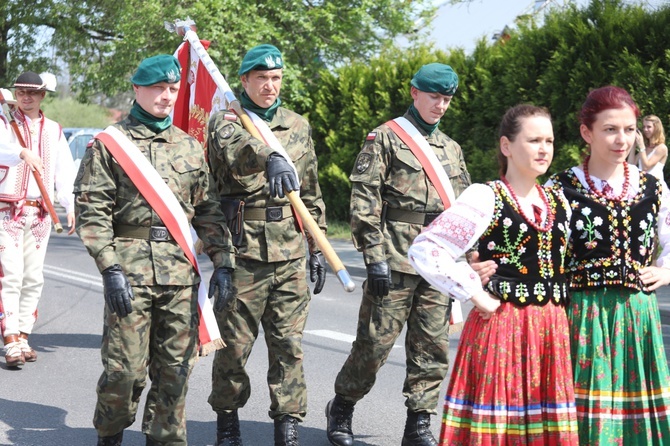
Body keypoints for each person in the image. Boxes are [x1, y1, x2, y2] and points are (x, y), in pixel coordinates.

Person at [74, 54, 235, 446]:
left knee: (176, 372)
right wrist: (110, 268)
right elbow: (92, 211)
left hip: (179, 276)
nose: (166, 96)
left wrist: (224, 261)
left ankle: (163, 439)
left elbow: (208, 210)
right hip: (130, 274)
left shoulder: (189, 146)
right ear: (137, 90)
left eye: (172, 89)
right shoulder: (110, 145)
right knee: (124, 371)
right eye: (157, 88)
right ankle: (109, 435)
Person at [408, 104, 579, 444]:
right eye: (533, 140)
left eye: (549, 140)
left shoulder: (560, 202)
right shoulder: (486, 197)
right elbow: (426, 248)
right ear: (506, 146)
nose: (544, 149)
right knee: (501, 423)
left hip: (550, 329)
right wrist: (474, 290)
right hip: (502, 326)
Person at [325, 63, 471, 446]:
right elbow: (364, 199)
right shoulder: (386, 138)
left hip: (436, 262)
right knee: (374, 346)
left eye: (447, 99)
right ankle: (342, 405)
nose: (440, 105)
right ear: (414, 93)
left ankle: (418, 423)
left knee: (432, 346)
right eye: (434, 97)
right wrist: (374, 256)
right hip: (394, 255)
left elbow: (463, 211)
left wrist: (467, 261)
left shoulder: (452, 149)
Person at [206, 44, 327, 446]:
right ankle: (227, 424)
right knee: (234, 350)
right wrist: (270, 156)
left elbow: (310, 190)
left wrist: (317, 246)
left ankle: (287, 427)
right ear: (244, 81)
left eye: (276, 78)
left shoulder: (298, 125)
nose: (270, 86)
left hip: (290, 251)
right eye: (261, 78)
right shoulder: (227, 120)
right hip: (243, 253)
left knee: (289, 347)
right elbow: (236, 153)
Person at [549, 86, 670, 444]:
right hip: (582, 315)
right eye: (610, 129)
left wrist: (665, 271)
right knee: (585, 415)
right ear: (587, 133)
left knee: (637, 418)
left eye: (630, 129)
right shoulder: (562, 188)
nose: (623, 140)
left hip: (638, 313)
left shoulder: (653, 188)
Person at [0, 72, 77, 369]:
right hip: (8, 210)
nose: (26, 97)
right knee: (11, 274)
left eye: (32, 93)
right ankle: (10, 339)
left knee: (34, 277)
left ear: (43, 95)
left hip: (41, 212)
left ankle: (23, 334)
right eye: (21, 92)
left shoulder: (54, 130)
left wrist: (69, 204)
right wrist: (21, 151)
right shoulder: (5, 123)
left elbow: (63, 171)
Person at [627, 114, 667, 180]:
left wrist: (641, 146)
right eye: (644, 127)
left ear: (656, 128)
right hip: (642, 185)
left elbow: (646, 167)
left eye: (649, 127)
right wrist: (633, 145)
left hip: (654, 186)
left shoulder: (661, 148)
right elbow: (631, 165)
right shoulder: (645, 148)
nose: (645, 129)